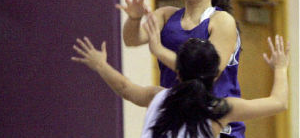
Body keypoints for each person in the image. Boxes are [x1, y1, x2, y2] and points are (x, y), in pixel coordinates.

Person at [71, 25, 289, 138]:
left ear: (178, 73)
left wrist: (100, 64)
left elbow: (125, 87)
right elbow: (279, 102)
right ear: (215, 75)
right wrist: (280, 67)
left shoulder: (158, 96)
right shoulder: (220, 108)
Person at [116, 0, 244, 137]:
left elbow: (209, 72)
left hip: (213, 122)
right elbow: (131, 40)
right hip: (177, 120)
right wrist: (134, 19)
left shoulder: (221, 21)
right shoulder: (166, 16)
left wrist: (159, 51)